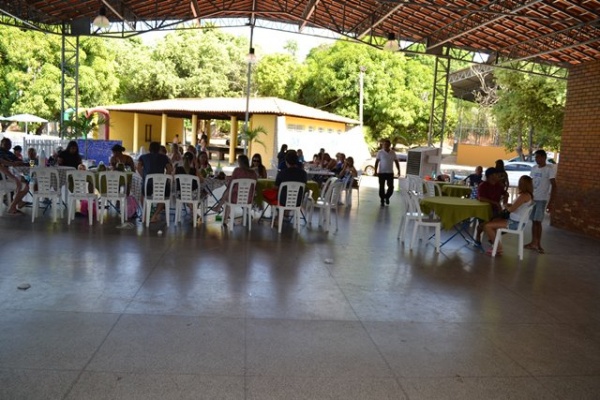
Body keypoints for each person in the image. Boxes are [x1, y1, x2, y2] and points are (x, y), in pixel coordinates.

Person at [483, 175, 534, 256]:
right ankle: (494, 243)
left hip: (515, 223)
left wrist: (506, 206)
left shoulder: (523, 196)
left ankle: (498, 248)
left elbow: (511, 210)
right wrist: (509, 205)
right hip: (517, 222)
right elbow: (518, 206)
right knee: (494, 221)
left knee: (488, 226)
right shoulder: (528, 195)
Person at [525, 149, 557, 254]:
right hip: (533, 199)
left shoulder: (549, 169)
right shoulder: (534, 168)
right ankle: (533, 242)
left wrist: (551, 202)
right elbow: (530, 183)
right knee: (533, 221)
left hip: (542, 199)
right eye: (535, 157)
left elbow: (554, 186)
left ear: (544, 158)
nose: (536, 159)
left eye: (538, 157)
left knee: (538, 222)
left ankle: (538, 244)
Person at [137, 141, 173, 223]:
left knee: (143, 196)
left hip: (148, 184)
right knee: (164, 197)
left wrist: (144, 177)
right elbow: (170, 169)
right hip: (160, 184)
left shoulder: (143, 157)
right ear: (158, 149)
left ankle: (146, 214)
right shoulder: (164, 157)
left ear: (149, 149)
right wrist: (164, 178)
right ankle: (155, 215)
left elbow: (138, 168)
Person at [215, 154, 257, 221]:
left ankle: (221, 212)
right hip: (249, 199)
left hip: (237, 198)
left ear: (240, 162)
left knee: (228, 194)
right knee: (229, 192)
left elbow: (231, 183)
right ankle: (219, 209)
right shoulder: (253, 173)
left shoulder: (237, 170)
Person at [475, 167, 509, 244]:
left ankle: (492, 236)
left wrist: (505, 199)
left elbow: (504, 193)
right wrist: (495, 203)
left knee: (504, 222)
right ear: (491, 176)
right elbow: (481, 198)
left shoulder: (498, 186)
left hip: (495, 210)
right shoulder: (483, 185)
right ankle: (479, 234)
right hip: (484, 209)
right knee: (485, 222)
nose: (499, 176)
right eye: (497, 175)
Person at [0, 138, 29, 215]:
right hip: (2, 181)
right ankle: (12, 206)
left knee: (22, 180)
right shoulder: (1, 152)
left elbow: (10, 163)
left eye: (9, 144)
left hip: (5, 178)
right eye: (6, 144)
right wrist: (15, 178)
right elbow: (2, 167)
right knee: (25, 186)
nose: (8, 146)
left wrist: (16, 163)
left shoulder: (9, 153)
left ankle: (17, 202)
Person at [374, 139, 400, 207]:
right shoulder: (380, 152)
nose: (386, 146)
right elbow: (377, 162)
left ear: (389, 145)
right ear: (383, 145)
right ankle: (382, 199)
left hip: (390, 173)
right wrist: (375, 171)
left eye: (387, 145)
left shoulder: (393, 152)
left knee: (391, 187)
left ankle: (387, 197)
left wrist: (399, 170)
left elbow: (396, 161)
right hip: (381, 172)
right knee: (381, 187)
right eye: (385, 144)